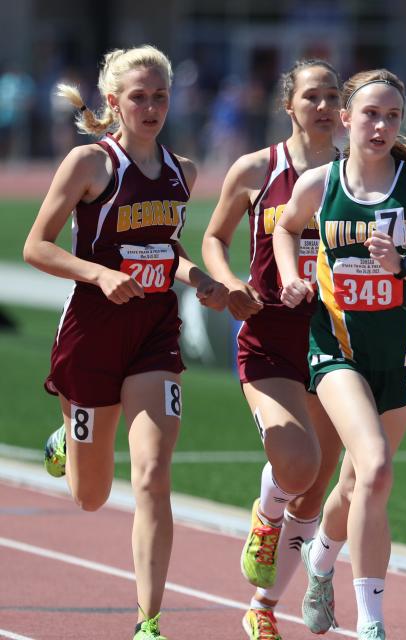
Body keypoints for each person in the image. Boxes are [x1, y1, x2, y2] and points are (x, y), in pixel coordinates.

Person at [25, 45, 228, 639]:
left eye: (160, 96)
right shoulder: (90, 164)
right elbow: (37, 245)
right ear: (114, 102)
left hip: (153, 334)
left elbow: (169, 249)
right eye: (138, 96)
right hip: (91, 332)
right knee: (90, 496)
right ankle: (68, 432)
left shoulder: (181, 171)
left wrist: (202, 280)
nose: (151, 107)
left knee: (152, 474)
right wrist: (99, 273)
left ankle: (148, 622)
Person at [273, 68, 406, 640]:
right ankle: (372, 622)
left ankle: (319, 564)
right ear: (344, 119)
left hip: (400, 356)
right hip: (336, 348)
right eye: (370, 114)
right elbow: (286, 229)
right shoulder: (320, 182)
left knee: (360, 483)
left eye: (393, 117)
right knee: (379, 467)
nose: (381, 125)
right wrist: (291, 277)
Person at [201, 58, 345, 640]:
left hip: (337, 344)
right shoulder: (259, 168)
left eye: (333, 96)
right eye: (312, 96)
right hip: (270, 338)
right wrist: (231, 282)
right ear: (289, 105)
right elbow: (213, 238)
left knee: (314, 491)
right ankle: (266, 515)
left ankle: (263, 606)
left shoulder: (359, 174)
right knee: (297, 465)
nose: (323, 106)